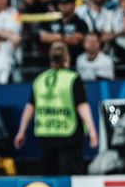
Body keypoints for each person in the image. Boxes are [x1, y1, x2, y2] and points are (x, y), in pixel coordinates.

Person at [14, 42, 99, 176]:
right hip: (69, 136)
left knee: (51, 179)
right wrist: (93, 131)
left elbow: (30, 107)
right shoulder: (72, 78)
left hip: (46, 135)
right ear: (67, 58)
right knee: (69, 178)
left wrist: (21, 131)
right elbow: (82, 106)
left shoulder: (40, 79)